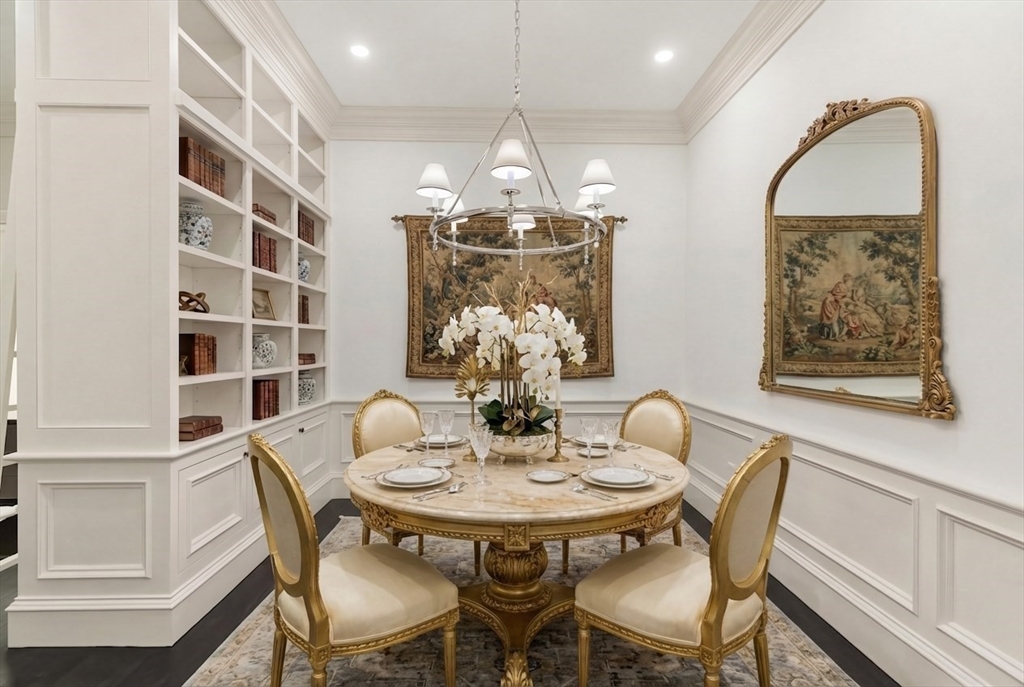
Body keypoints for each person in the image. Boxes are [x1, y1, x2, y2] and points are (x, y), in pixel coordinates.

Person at [818, 273, 853, 340]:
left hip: (834, 306)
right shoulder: (840, 287)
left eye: (851, 282)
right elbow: (835, 297)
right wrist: (841, 304)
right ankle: (833, 334)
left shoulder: (844, 289)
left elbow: (842, 299)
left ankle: (833, 333)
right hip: (830, 307)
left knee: (840, 320)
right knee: (833, 320)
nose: (851, 283)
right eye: (851, 281)